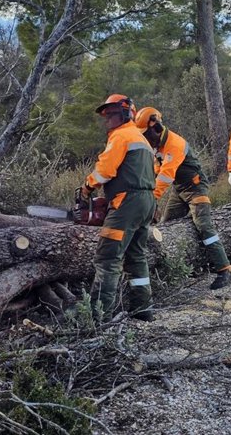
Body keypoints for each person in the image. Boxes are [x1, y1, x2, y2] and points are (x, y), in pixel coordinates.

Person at [135, 107, 231, 290]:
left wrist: (150, 199)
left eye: (145, 134)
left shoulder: (174, 144)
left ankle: (225, 269)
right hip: (179, 189)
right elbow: (157, 172)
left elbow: (165, 176)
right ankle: (174, 269)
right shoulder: (157, 145)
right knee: (167, 225)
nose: (144, 138)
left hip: (195, 187)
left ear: (155, 127)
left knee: (204, 226)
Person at [79, 94, 157, 322]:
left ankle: (98, 316)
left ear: (125, 113)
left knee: (107, 258)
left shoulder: (121, 136)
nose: (107, 120)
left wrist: (87, 187)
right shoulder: (142, 139)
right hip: (145, 201)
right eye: (106, 115)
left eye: (111, 114)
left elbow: (105, 171)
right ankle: (143, 309)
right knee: (136, 257)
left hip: (127, 203)